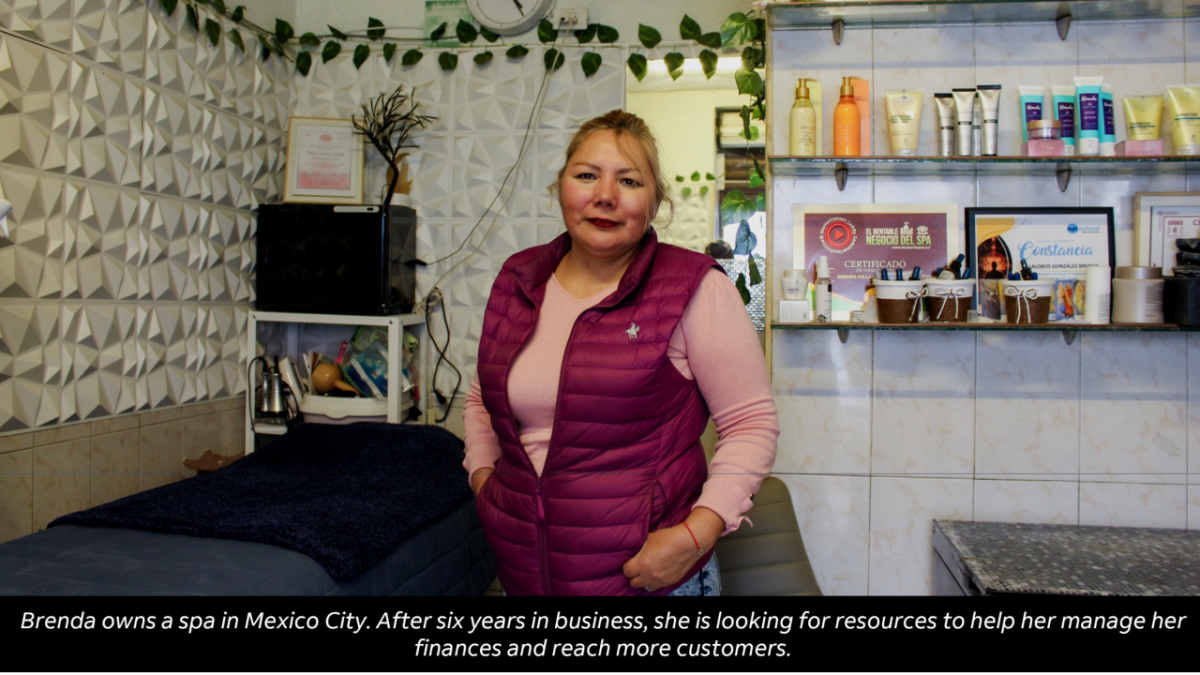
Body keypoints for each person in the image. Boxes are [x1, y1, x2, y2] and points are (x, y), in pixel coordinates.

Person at [462, 110, 777, 596]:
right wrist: (485, 482)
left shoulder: (694, 286)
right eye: (587, 175)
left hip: (652, 584)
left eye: (629, 181)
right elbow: (483, 399)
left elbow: (751, 423)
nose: (605, 195)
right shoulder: (518, 279)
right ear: (560, 187)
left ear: (655, 201)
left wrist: (695, 536)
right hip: (527, 576)